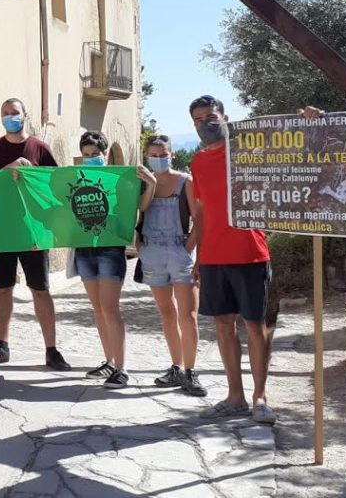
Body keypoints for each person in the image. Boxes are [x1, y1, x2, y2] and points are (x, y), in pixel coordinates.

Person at [188, 95, 275, 423]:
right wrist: (198, 255)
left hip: (250, 252)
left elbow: (292, 151)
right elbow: (201, 210)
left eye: (209, 117)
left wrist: (308, 121)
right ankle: (235, 396)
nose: (203, 125)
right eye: (197, 121)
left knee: (254, 325)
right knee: (222, 326)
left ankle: (260, 397)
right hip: (213, 257)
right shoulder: (197, 162)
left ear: (225, 117)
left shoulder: (248, 152)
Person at [0, 98, 71, 372]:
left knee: (40, 289)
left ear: (25, 115)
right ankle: (1, 345)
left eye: (14, 113)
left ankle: (51, 350)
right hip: (2, 229)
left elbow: (55, 184)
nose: (10, 117)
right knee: (2, 288)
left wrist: (33, 172)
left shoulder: (39, 148)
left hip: (33, 231)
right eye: (5, 113)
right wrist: (8, 170)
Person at [73, 131, 156, 389]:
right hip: (84, 249)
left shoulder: (122, 179)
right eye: (86, 155)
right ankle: (108, 361)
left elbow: (141, 207)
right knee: (97, 309)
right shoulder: (76, 178)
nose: (90, 158)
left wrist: (151, 184)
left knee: (110, 309)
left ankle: (122, 368)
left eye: (95, 154)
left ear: (105, 154)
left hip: (111, 249)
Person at [137, 135, 206, 397]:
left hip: (179, 251)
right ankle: (176, 367)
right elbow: (138, 214)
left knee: (188, 315)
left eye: (162, 153)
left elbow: (199, 217)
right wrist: (141, 247)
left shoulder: (184, 181)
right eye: (153, 154)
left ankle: (191, 371)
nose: (158, 158)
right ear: (147, 156)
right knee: (167, 313)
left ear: (172, 154)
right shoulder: (142, 182)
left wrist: (188, 248)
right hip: (152, 251)